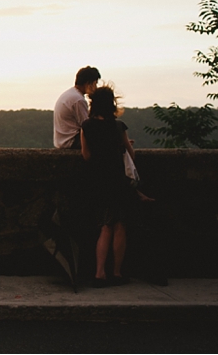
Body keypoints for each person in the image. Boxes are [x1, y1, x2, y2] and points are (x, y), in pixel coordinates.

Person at [80, 85, 139, 288]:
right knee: (120, 226)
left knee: (105, 227)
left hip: (98, 182)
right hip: (118, 181)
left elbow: (86, 156)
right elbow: (131, 155)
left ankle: (99, 272)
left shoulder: (86, 126)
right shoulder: (118, 126)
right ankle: (116, 272)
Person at [53, 66, 101, 149]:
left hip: (61, 141)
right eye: (95, 83)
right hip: (72, 141)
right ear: (88, 83)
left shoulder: (70, 94)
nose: (96, 87)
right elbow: (88, 126)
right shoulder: (78, 100)